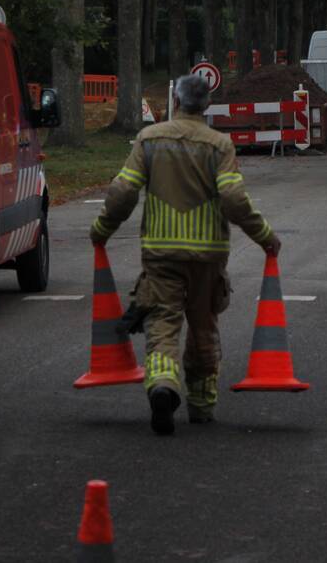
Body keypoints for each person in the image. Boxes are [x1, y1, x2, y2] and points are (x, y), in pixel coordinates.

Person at [89, 74, 281, 435]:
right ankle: (202, 406)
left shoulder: (149, 139)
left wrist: (102, 230)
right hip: (208, 256)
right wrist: (265, 236)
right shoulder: (219, 144)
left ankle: (163, 383)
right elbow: (234, 200)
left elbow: (123, 192)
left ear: (174, 102)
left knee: (163, 324)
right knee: (204, 327)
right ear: (206, 106)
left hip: (161, 254)